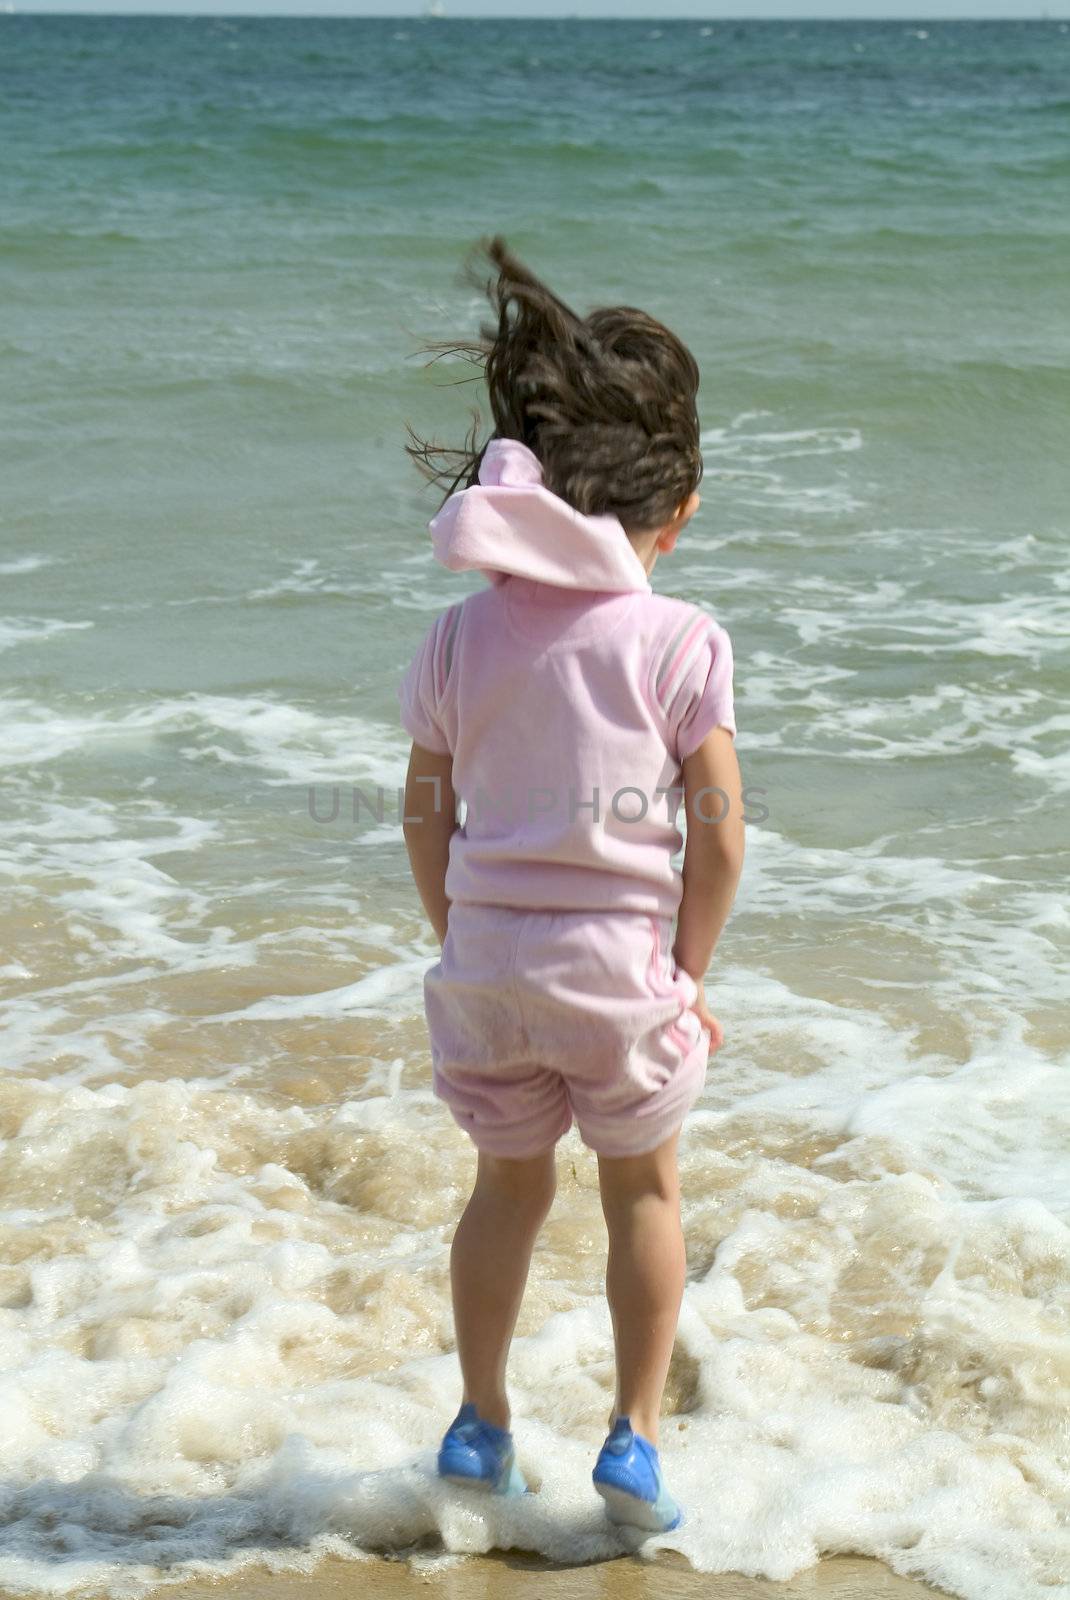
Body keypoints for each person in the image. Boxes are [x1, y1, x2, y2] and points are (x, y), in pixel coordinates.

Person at [398, 235, 744, 1535]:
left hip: (486, 966)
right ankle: (633, 1441)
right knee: (639, 1192)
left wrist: (457, 931)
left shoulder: (458, 635)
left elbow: (424, 806)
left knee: (505, 1186)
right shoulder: (675, 640)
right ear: (679, 510)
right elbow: (717, 834)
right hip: (614, 978)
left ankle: (481, 1425)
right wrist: (686, 977)